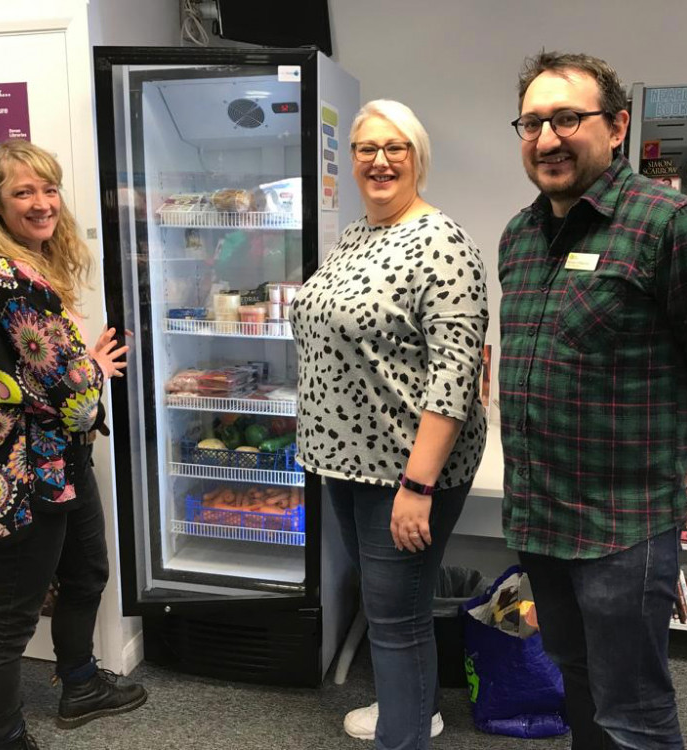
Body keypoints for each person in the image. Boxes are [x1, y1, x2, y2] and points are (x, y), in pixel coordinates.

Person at [499, 51, 687, 749]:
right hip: (540, 517)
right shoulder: (520, 237)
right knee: (575, 683)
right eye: (532, 122)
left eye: (566, 118)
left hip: (622, 526)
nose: (548, 138)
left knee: (634, 715)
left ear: (616, 127)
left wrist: (673, 473)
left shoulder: (672, 225)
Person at [290, 100, 487, 749]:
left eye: (394, 147)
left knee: (393, 621)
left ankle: (404, 734)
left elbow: (456, 373)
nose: (379, 160)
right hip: (343, 461)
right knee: (396, 609)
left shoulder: (441, 240)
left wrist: (418, 486)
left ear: (417, 158)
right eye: (365, 147)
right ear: (350, 160)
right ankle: (419, 710)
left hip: (404, 469)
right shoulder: (354, 235)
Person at [0, 139, 144, 750]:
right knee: (8, 618)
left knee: (87, 572)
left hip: (60, 460)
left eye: (49, 188)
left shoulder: (22, 270)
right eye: (23, 192)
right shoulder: (10, 279)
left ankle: (80, 683)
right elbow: (78, 398)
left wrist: (76, 372)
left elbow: (42, 379)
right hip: (24, 469)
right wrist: (91, 367)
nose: (42, 204)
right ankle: (4, 738)